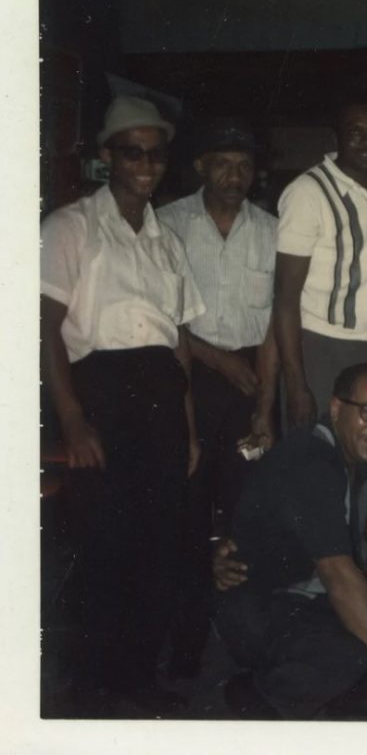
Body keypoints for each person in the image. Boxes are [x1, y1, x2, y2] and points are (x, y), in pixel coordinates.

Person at [40, 95, 204, 716]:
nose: (145, 164)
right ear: (108, 157)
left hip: (161, 404)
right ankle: (87, 690)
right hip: (102, 400)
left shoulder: (167, 243)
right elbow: (42, 327)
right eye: (131, 152)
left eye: (155, 153)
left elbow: (180, 348)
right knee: (102, 548)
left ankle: (136, 683)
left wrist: (187, 434)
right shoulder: (70, 226)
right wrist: (74, 418)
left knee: (156, 548)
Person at [212, 364, 367, 721]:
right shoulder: (309, 460)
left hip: (315, 596)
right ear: (337, 408)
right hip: (266, 605)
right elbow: (337, 573)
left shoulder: (364, 463)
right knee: (352, 649)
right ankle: (262, 697)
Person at [158, 117, 279, 678]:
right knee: (185, 510)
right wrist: (219, 361)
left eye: (245, 165)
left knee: (247, 511)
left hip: (255, 377)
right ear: (201, 166)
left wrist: (264, 405)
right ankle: (183, 649)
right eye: (223, 163)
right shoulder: (168, 224)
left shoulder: (272, 229)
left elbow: (278, 325)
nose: (235, 175)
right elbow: (160, 317)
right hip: (190, 378)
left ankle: (244, 650)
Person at [274, 100, 367, 429]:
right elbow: (284, 301)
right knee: (317, 455)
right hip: (320, 348)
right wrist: (298, 385)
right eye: (356, 133)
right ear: (335, 138)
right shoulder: (307, 193)